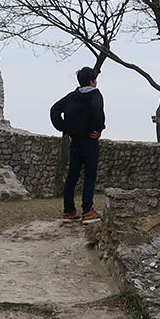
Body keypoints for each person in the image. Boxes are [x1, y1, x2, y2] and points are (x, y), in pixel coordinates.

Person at [50, 66, 105, 223]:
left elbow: (54, 110)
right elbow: (97, 110)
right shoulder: (95, 94)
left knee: (72, 175)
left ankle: (69, 211)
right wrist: (98, 129)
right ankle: (87, 211)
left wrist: (64, 128)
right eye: (95, 80)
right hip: (89, 140)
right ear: (92, 81)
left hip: (75, 141)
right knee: (89, 176)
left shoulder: (72, 96)